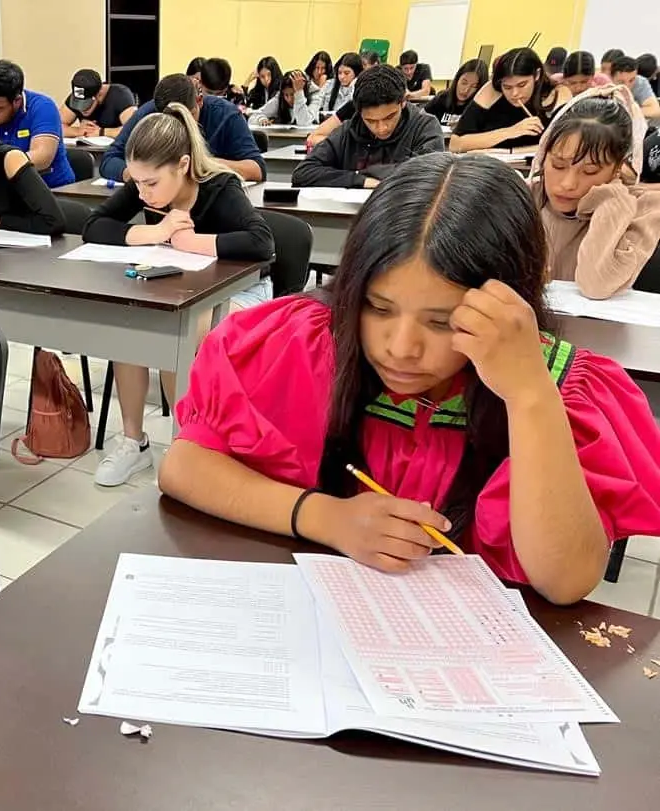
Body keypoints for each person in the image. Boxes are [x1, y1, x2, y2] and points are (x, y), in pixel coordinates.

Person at [159, 152, 660, 606]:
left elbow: (567, 579)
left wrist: (530, 396)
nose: (400, 347)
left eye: (443, 322)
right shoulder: (297, 343)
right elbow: (184, 467)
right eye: (377, 307)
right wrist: (324, 517)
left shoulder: (560, 388)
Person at [83, 103, 274, 487]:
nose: (142, 192)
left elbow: (261, 243)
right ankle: (134, 442)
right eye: (137, 183)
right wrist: (154, 233)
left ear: (183, 164)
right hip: (178, 287)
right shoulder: (146, 189)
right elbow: (93, 225)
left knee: (179, 328)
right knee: (131, 323)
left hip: (242, 293)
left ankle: (185, 444)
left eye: (151, 183)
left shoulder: (220, 186)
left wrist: (189, 240)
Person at [530, 86, 660, 298]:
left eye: (590, 171)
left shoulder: (644, 209)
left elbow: (596, 285)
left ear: (618, 167)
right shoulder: (524, 197)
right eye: (558, 165)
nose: (568, 183)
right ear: (544, 154)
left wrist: (612, 198)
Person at [292, 65, 444, 189]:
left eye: (389, 117)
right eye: (370, 121)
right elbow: (303, 172)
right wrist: (359, 179)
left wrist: (362, 172)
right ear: (359, 112)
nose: (381, 128)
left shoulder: (425, 126)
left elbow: (428, 174)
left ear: (403, 102)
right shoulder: (349, 129)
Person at [102, 74, 266, 183]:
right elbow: (110, 159)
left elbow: (257, 170)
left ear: (200, 101)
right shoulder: (149, 112)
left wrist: (206, 164)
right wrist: (135, 175)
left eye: (187, 116)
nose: (180, 127)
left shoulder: (226, 115)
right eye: (170, 120)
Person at [0, 60, 74, 188]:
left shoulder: (42, 107)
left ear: (17, 101)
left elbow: (42, 157)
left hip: (53, 189)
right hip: (5, 192)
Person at [449, 47, 571, 153]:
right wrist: (511, 131)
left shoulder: (557, 93)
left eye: (522, 85)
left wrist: (513, 151)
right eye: (507, 87)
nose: (515, 93)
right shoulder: (492, 90)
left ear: (537, 75)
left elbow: (565, 145)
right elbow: (455, 144)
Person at [61, 69, 138, 138]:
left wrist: (101, 132)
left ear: (99, 94)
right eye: (77, 102)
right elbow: (55, 127)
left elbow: (134, 129)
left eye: (86, 105)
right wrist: (78, 131)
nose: (81, 109)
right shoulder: (78, 95)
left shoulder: (120, 95)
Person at [424, 59, 489, 126]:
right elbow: (421, 117)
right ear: (457, 79)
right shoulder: (442, 97)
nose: (466, 90)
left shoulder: (481, 107)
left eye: (474, 86)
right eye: (464, 83)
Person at [249, 72, 318, 127]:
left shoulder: (314, 97)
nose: (289, 99)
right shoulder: (279, 98)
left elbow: (303, 122)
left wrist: (299, 93)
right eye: (286, 95)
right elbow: (253, 117)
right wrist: (261, 119)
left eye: (293, 94)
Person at [608, 56, 660, 120]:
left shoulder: (640, 82)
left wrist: (627, 112)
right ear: (611, 77)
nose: (627, 86)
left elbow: (655, 110)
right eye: (621, 82)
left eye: (631, 80)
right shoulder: (604, 83)